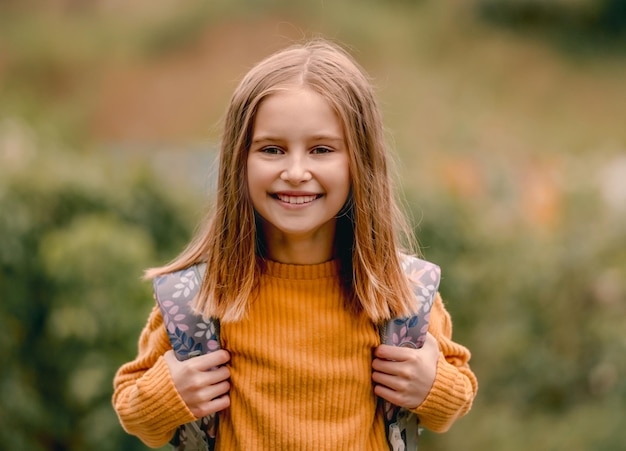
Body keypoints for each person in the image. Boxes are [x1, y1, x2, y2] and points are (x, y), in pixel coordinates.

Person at [112, 38, 477, 450]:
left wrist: (432, 386)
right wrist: (170, 393)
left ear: (361, 160)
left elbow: (455, 395)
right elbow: (134, 409)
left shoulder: (401, 292)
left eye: (321, 150)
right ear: (240, 160)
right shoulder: (197, 299)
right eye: (272, 149)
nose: (296, 171)